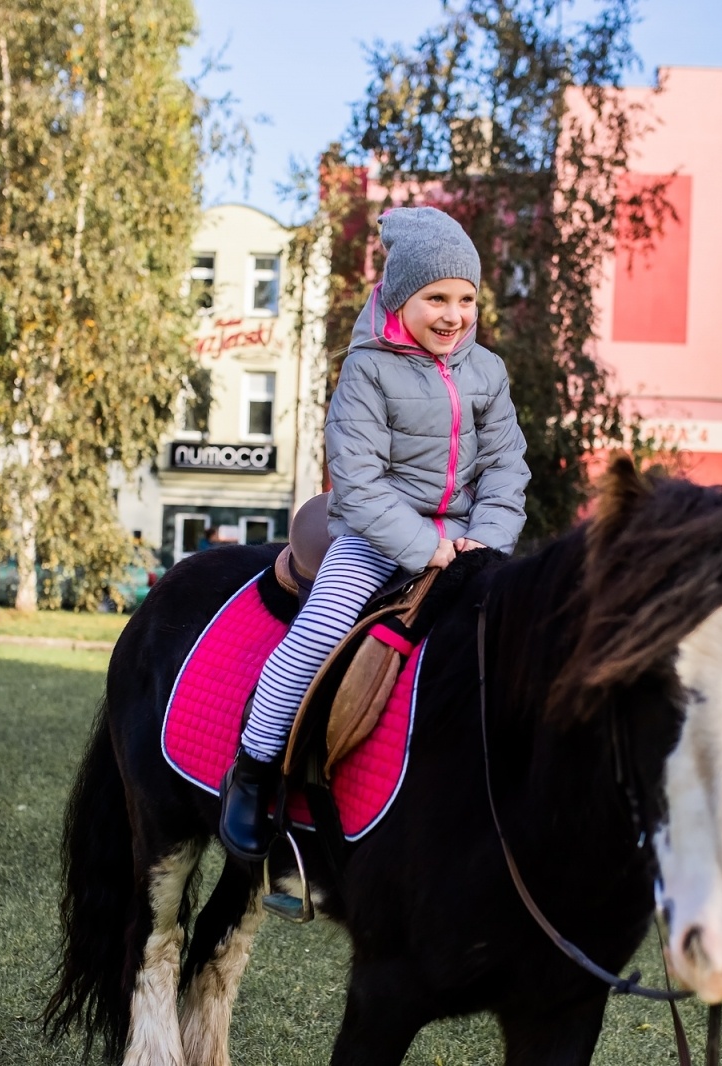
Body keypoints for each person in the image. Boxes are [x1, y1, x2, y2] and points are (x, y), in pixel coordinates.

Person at [218, 206, 530, 861]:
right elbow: (358, 481)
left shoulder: (488, 372)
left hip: (468, 539)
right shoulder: (368, 369)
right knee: (322, 629)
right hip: (375, 533)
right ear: (399, 298)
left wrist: (487, 540)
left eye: (466, 299)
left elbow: (506, 466)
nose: (454, 315)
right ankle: (254, 765)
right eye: (436, 298)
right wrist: (425, 549)